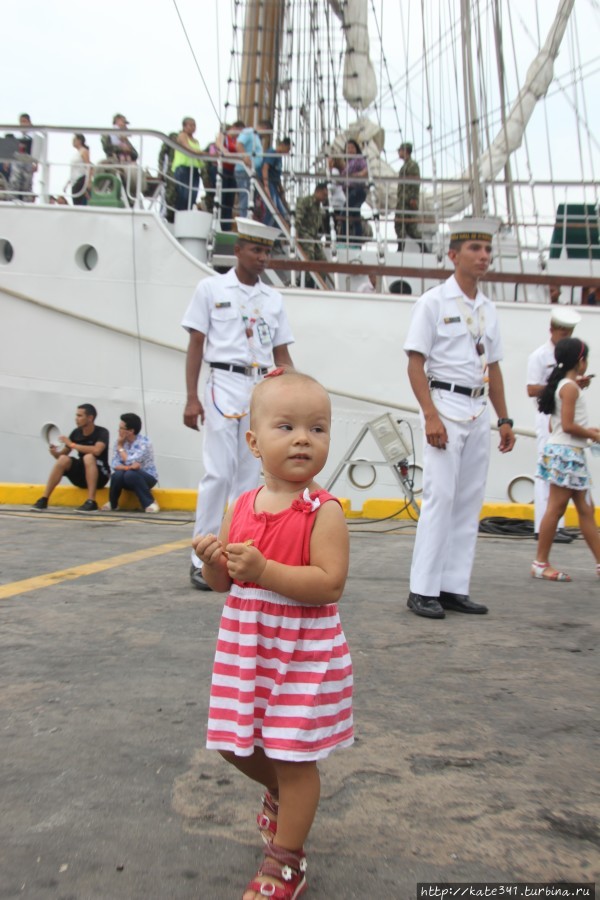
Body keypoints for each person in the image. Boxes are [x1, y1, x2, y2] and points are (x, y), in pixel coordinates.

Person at [192, 369, 353, 900]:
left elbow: (329, 584)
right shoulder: (240, 506)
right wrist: (215, 562)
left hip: (302, 655)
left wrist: (264, 571)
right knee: (232, 745)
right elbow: (224, 585)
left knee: (291, 753)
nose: (304, 438)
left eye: (318, 428)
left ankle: (286, 861)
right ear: (254, 443)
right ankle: (283, 797)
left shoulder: (323, 512)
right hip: (248, 648)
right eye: (287, 426)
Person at [404, 218, 516, 619]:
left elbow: (495, 367)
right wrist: (430, 416)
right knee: (440, 498)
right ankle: (422, 589)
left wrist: (505, 418)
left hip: (478, 409)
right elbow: (415, 364)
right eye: (474, 249)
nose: (484, 256)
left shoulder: (487, 308)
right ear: (453, 255)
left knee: (468, 502)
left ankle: (453, 586)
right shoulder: (433, 303)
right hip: (444, 408)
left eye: (487, 250)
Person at [182, 218, 295, 591]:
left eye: (267, 251)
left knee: (250, 477)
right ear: (238, 250)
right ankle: (201, 557)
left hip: (261, 384)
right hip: (223, 383)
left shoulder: (273, 299)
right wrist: (191, 396)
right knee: (218, 472)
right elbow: (196, 344)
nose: (263, 257)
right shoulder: (211, 288)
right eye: (256, 250)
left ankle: (237, 555)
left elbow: (281, 353)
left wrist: (293, 395)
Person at [533, 337, 600, 582]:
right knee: (557, 509)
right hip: (567, 453)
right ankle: (540, 562)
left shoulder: (563, 386)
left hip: (566, 452)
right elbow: (569, 426)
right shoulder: (570, 388)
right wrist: (593, 434)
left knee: (585, 509)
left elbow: (556, 424)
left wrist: (588, 432)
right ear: (581, 361)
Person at [526, 307, 582, 541]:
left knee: (559, 473)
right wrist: (558, 385)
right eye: (562, 333)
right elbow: (531, 389)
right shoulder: (539, 356)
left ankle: (556, 525)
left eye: (569, 334)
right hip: (546, 414)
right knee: (545, 472)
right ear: (552, 331)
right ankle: (543, 526)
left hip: (562, 415)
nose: (565, 338)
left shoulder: (568, 356)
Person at [31, 404, 110, 512]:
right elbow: (61, 456)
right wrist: (54, 452)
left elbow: (97, 450)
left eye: (79, 416)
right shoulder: (76, 433)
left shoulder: (102, 432)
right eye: (76, 415)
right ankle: (44, 499)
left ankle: (91, 501)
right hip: (82, 476)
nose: (76, 419)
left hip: (100, 475)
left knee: (88, 457)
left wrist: (73, 445)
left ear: (90, 418)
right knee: (63, 459)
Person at [102, 413, 159, 513]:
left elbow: (130, 461)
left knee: (131, 474)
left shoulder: (144, 443)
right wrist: (127, 468)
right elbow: (115, 464)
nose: (118, 431)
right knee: (117, 475)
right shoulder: (119, 441)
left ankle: (150, 503)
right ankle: (113, 503)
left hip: (147, 477)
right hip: (127, 475)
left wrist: (120, 447)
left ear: (131, 431)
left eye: (121, 428)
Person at [235, 120, 269, 219]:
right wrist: (246, 157)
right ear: (265, 129)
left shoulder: (257, 137)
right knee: (245, 196)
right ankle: (244, 220)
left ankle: (248, 218)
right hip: (244, 170)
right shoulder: (249, 132)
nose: (267, 137)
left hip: (251, 172)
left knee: (250, 198)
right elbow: (239, 144)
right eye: (267, 133)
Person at [395, 142, 424, 252]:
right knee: (408, 227)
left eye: (400, 150)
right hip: (403, 199)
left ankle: (401, 247)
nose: (399, 152)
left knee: (401, 223)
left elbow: (415, 182)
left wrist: (413, 198)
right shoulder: (405, 166)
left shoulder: (412, 165)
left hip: (407, 201)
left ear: (405, 151)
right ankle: (421, 247)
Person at [173, 117, 203, 212]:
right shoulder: (182, 135)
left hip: (194, 169)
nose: (192, 127)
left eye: (194, 125)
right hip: (183, 168)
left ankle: (188, 215)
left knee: (193, 195)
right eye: (190, 125)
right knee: (184, 195)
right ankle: (180, 215)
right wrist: (199, 152)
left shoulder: (196, 141)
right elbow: (187, 147)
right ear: (184, 126)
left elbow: (198, 154)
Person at [295, 182, 329, 262]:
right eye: (324, 195)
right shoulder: (306, 201)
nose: (325, 198)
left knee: (323, 261)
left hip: (313, 237)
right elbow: (298, 218)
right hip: (304, 235)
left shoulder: (319, 207)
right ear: (317, 191)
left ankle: (321, 274)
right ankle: (308, 274)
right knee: (309, 257)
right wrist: (295, 234)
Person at [261, 136, 291, 227]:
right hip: (269, 184)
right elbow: (265, 168)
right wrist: (266, 185)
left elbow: (277, 176)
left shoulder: (279, 158)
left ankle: (277, 238)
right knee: (272, 209)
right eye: (288, 149)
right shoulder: (272, 153)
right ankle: (264, 232)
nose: (288, 152)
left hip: (274, 186)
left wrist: (281, 190)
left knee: (282, 213)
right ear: (282, 145)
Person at [342, 139, 368, 239]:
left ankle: (345, 239)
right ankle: (357, 239)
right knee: (355, 214)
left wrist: (356, 175)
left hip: (357, 190)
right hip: (350, 191)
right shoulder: (348, 163)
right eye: (348, 148)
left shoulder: (358, 159)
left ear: (356, 149)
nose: (350, 150)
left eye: (352, 147)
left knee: (344, 214)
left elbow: (366, 170)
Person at [67, 134, 92, 206]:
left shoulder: (84, 151)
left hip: (81, 179)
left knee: (79, 203)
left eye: (74, 140)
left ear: (79, 141)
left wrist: (88, 182)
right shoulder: (76, 153)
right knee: (75, 202)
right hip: (74, 181)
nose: (73, 142)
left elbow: (88, 166)